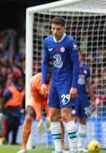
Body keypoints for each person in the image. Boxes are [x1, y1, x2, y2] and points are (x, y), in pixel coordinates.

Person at [41, 17, 80, 153]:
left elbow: (76, 65)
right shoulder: (47, 41)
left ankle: (74, 149)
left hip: (67, 82)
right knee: (53, 115)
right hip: (54, 82)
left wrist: (74, 86)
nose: (55, 31)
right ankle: (58, 149)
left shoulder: (70, 41)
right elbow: (45, 63)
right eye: (53, 28)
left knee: (66, 114)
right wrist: (43, 82)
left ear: (64, 28)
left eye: (58, 29)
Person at [17, 72, 51, 153]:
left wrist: (49, 116)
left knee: (59, 119)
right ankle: (24, 147)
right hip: (36, 100)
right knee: (28, 118)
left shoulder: (56, 81)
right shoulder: (34, 80)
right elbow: (36, 101)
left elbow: (51, 100)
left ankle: (62, 147)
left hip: (49, 101)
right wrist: (40, 118)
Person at [74, 51, 95, 152]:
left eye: (79, 55)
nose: (77, 57)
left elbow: (89, 85)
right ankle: (72, 146)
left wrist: (93, 100)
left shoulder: (86, 69)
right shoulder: (70, 67)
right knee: (72, 120)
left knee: (83, 120)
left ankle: (80, 146)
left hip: (83, 97)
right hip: (73, 97)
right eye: (76, 55)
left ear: (82, 56)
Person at [1, 70, 24, 145]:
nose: (19, 79)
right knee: (9, 124)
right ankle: (6, 140)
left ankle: (13, 141)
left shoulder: (21, 88)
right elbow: (4, 99)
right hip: (10, 109)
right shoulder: (10, 88)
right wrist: (3, 109)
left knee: (16, 125)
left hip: (18, 109)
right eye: (18, 78)